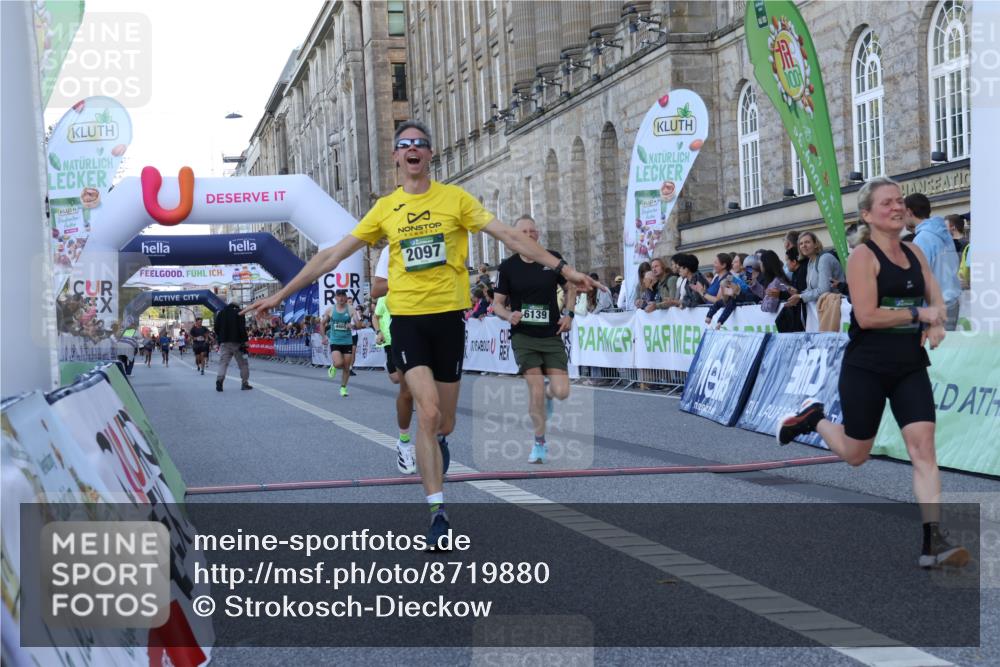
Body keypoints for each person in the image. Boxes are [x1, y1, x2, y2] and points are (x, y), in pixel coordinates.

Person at [241, 119, 600, 549]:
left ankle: (438, 440)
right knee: (426, 412)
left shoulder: (455, 200)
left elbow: (508, 236)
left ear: (430, 155)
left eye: (421, 144)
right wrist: (280, 294)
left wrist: (566, 270)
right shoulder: (385, 208)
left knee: (443, 420)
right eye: (405, 144)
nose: (413, 149)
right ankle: (438, 513)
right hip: (407, 321)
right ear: (396, 157)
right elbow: (332, 255)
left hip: (448, 318)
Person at [777, 176, 967, 569]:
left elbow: (936, 297)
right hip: (866, 368)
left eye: (899, 201)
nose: (897, 207)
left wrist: (936, 323)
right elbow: (866, 315)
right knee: (856, 454)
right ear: (867, 215)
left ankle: (933, 541)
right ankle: (814, 418)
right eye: (887, 203)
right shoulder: (862, 257)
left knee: (923, 450)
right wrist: (917, 314)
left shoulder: (915, 252)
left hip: (910, 368)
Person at [492, 216, 576, 464]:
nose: (529, 235)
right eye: (524, 231)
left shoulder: (552, 258)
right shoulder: (507, 267)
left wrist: (569, 314)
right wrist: (509, 315)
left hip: (551, 334)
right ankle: (539, 444)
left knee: (561, 391)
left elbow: (571, 285)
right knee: (536, 389)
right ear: (514, 237)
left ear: (538, 234)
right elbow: (496, 304)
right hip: (524, 336)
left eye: (533, 231)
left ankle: (549, 397)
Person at [371, 248, 416, 474]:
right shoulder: (391, 251)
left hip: (435, 321)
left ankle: (438, 433)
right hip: (394, 336)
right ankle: (405, 441)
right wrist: (378, 331)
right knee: (400, 382)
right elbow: (376, 306)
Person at [907, 194, 962, 330]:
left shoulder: (922, 239)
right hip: (951, 302)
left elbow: (919, 278)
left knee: (932, 350)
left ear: (908, 212)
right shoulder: (945, 235)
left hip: (934, 308)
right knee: (946, 350)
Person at [322, 289, 359, 397]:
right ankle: (333, 366)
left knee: (347, 367)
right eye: (339, 296)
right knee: (339, 363)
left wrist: (352, 326)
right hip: (335, 340)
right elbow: (322, 323)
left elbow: (359, 325)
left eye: (343, 295)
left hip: (347, 341)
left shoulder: (351, 309)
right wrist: (324, 337)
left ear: (346, 297)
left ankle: (343, 388)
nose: (342, 298)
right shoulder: (330, 310)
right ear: (335, 297)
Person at [214, 301, 252, 392]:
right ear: (237, 306)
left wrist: (221, 337)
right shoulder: (239, 312)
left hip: (224, 343)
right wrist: (245, 341)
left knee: (223, 363)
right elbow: (242, 328)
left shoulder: (221, 313)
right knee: (243, 364)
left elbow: (216, 328)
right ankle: (244, 383)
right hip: (238, 343)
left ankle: (219, 380)